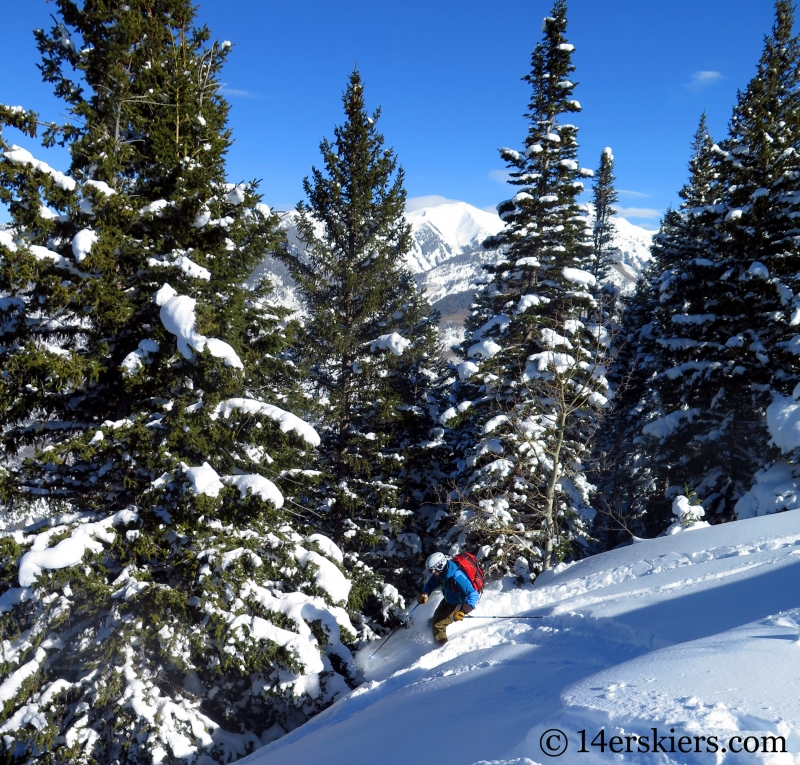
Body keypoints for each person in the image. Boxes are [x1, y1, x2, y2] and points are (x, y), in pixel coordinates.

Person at [417, 552, 480, 645]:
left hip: (459, 604)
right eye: (430, 571)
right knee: (432, 621)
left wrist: (463, 611)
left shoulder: (457, 576)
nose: (432, 573)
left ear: (440, 565)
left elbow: (474, 594)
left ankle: (442, 648)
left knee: (438, 625)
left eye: (432, 570)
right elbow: (430, 584)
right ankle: (430, 638)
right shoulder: (441, 574)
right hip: (448, 600)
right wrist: (425, 593)